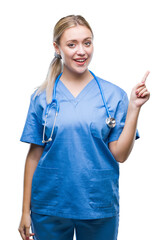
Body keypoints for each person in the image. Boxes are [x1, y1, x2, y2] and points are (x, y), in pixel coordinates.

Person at [18, 14, 150, 240]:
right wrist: (24, 212)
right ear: (57, 48)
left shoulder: (113, 95)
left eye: (87, 42)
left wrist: (134, 108)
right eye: (72, 44)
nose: (82, 51)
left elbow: (120, 155)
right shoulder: (41, 97)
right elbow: (34, 156)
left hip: (97, 203)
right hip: (50, 204)